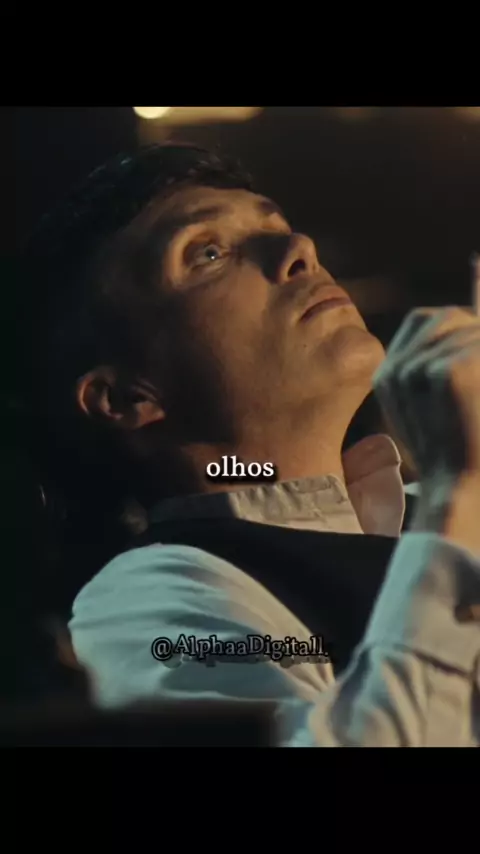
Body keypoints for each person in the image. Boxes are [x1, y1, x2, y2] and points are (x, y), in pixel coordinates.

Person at [24, 143, 480, 746]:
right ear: (127, 397)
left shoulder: (432, 518)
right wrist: (458, 494)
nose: (298, 249)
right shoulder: (156, 595)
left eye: (279, 228)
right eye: (207, 253)